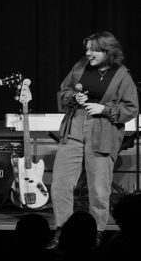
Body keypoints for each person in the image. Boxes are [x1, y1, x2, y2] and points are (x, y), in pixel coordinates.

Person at [49, 31, 139, 249]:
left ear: (108, 51)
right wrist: (73, 97)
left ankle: (96, 234)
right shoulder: (80, 67)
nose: (88, 53)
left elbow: (131, 108)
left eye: (93, 50)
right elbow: (63, 91)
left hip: (103, 131)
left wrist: (104, 108)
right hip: (74, 127)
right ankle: (62, 230)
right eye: (87, 49)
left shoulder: (121, 75)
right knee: (60, 184)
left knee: (99, 189)